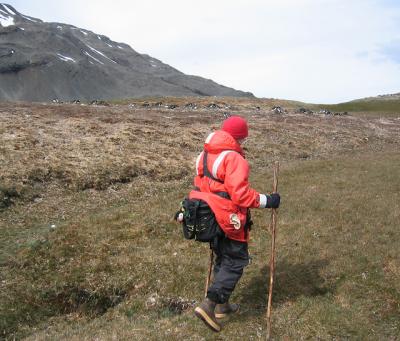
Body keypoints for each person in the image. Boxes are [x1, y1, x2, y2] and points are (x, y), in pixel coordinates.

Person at [189, 115, 280, 332]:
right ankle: (209, 304)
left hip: (209, 216)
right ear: (240, 138)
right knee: (236, 259)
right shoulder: (235, 158)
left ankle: (222, 305)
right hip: (228, 217)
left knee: (223, 256)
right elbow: (240, 196)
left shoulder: (204, 154)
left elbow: (201, 184)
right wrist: (268, 200)